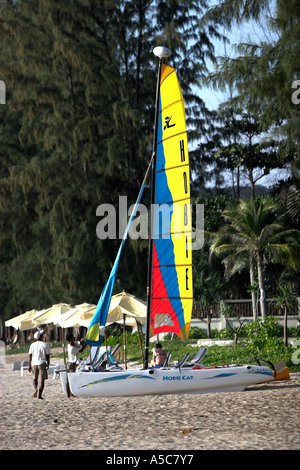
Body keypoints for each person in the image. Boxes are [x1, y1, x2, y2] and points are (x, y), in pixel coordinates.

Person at [28, 330, 50, 399]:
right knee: (42, 379)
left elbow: (30, 355)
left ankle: (35, 389)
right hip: (42, 363)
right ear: (40, 337)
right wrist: (48, 363)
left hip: (34, 363)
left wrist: (29, 365)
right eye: (42, 335)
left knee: (34, 378)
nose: (43, 336)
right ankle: (40, 395)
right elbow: (47, 355)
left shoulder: (32, 345)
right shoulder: (45, 344)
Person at [65, 333, 86, 397]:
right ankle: (70, 394)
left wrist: (82, 341)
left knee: (70, 379)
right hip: (71, 364)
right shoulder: (71, 348)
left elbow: (79, 343)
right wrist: (85, 345)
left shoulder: (73, 343)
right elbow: (81, 350)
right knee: (70, 379)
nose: (74, 337)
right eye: (73, 337)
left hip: (71, 363)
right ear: (71, 339)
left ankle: (69, 394)